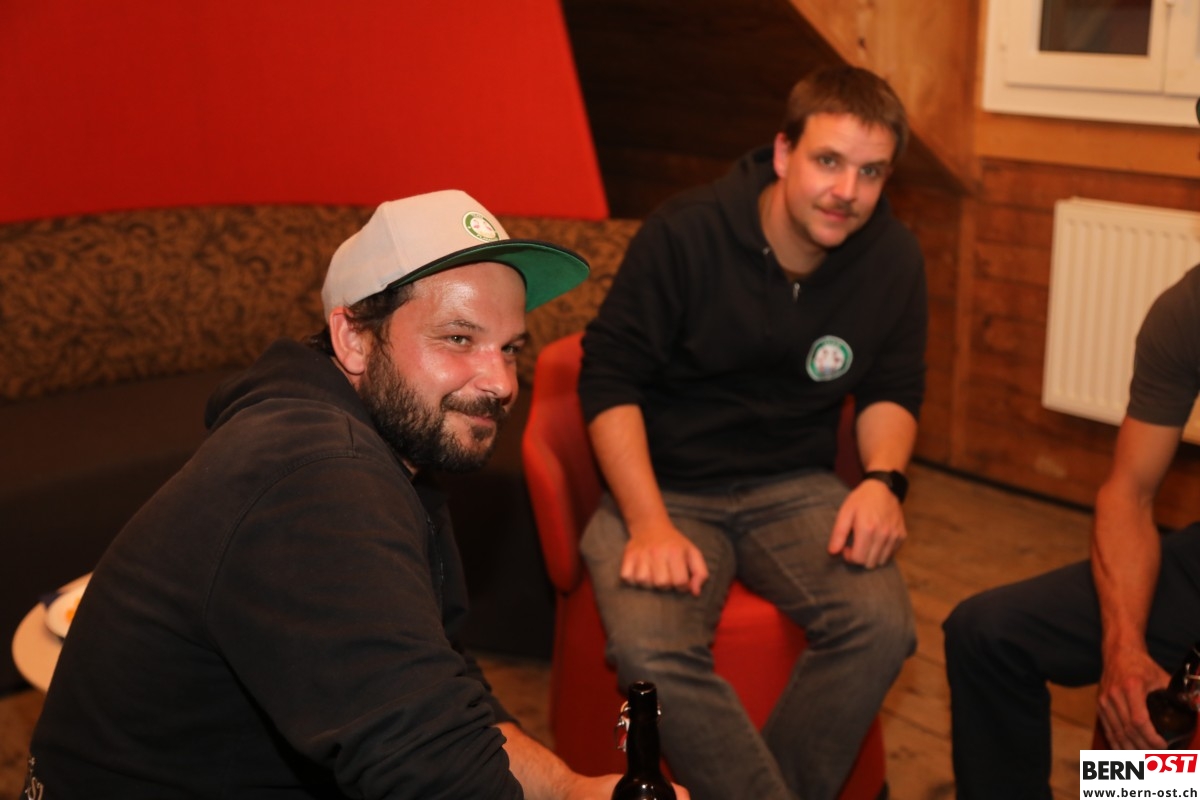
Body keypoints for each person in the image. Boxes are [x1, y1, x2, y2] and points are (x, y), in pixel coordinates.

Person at [24, 190, 690, 799]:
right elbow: (434, 773)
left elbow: (441, 697)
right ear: (353, 339)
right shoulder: (317, 478)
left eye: (510, 348)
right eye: (458, 338)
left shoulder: (379, 449)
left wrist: (570, 790)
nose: (501, 382)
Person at [577, 66, 928, 800]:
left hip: (793, 484)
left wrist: (882, 480)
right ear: (783, 152)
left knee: (883, 625)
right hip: (666, 485)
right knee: (650, 652)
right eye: (828, 161)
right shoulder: (685, 231)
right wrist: (647, 522)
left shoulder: (892, 256)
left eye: (870, 172)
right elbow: (609, 379)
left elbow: (893, 387)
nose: (846, 191)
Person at [943, 263, 1200, 799]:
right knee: (986, 632)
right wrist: (1123, 646)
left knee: (1164, 754)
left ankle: (1141, 787)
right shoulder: (1188, 309)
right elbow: (1129, 492)